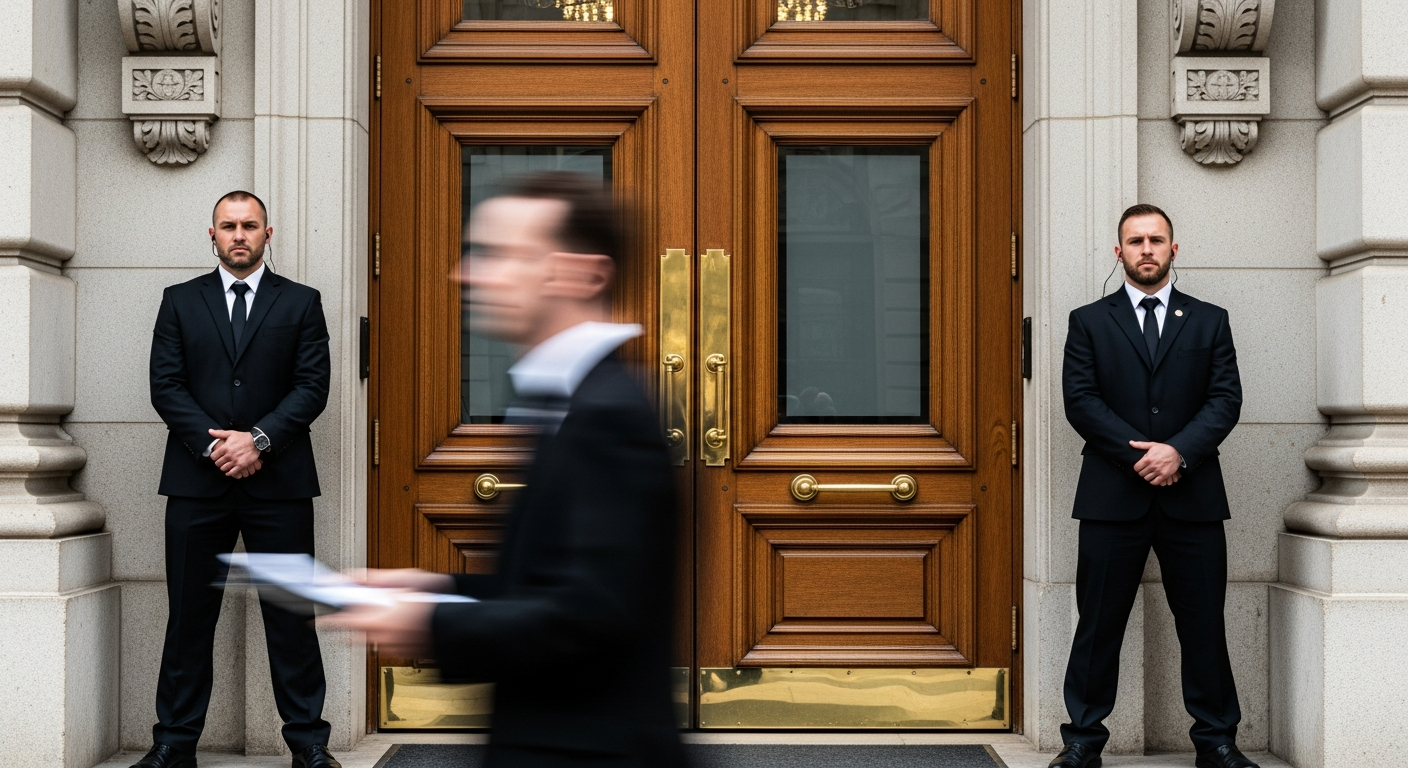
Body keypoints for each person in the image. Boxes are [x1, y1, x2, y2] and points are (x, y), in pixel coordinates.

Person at [328, 172, 685, 768]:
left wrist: (429, 623)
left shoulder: (610, 413)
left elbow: (588, 618)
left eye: (497, 255)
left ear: (580, 274)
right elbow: (548, 588)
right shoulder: (569, 401)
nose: (465, 274)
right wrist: (437, 588)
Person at [136, 191, 340, 768]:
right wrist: (216, 447)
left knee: (291, 618)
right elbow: (166, 386)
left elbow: (311, 387)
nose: (239, 235)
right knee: (189, 620)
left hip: (280, 487)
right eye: (229, 226)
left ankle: (309, 746)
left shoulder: (301, 302)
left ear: (267, 233)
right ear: (213, 234)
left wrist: (259, 441)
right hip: (198, 486)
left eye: (250, 225)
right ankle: (173, 744)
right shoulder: (179, 302)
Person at [1048, 204, 1254, 768]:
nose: (1146, 249)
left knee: (1204, 625)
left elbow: (1225, 400)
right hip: (1113, 496)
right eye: (1135, 241)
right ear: (1119, 252)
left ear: (1173, 250)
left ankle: (1216, 741)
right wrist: (1143, 456)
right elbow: (1081, 401)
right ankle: (1082, 743)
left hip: (1193, 497)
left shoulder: (1209, 320)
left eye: (1156, 240)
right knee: (1098, 626)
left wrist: (1179, 453)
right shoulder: (1088, 320)